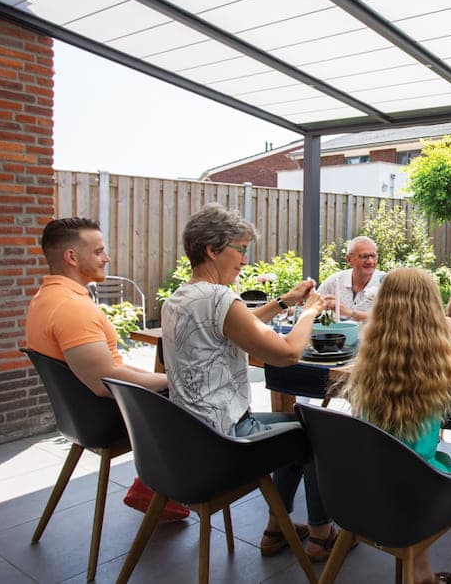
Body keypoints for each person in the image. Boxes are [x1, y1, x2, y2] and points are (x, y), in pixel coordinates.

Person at [160, 204, 337, 560]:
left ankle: (277, 529)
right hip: (225, 440)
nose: (244, 259)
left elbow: (236, 324)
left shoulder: (180, 297)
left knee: (298, 427)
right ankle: (321, 534)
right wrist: (309, 313)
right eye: (240, 249)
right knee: (318, 432)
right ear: (212, 250)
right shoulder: (219, 296)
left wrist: (283, 302)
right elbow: (287, 353)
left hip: (189, 436)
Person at [342, 268, 451, 584]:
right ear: (431, 308)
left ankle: (421, 573)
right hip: (421, 492)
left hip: (365, 487)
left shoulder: (368, 360)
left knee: (413, 465)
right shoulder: (439, 368)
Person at [25, 217, 189, 522]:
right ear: (72, 257)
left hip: (80, 415)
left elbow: (108, 368)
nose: (107, 257)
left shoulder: (46, 297)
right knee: (198, 399)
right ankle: (162, 487)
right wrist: (175, 380)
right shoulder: (71, 308)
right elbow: (105, 382)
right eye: (99, 251)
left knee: (178, 387)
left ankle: (155, 486)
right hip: (102, 418)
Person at [318, 236, 384, 322]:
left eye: (373, 256)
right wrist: (323, 305)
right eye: (364, 256)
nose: (370, 261)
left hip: (373, 335)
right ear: (349, 260)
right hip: (338, 335)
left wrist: (349, 313)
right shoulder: (335, 280)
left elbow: (391, 318)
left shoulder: (385, 282)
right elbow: (313, 307)